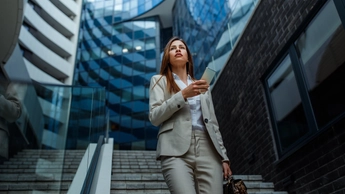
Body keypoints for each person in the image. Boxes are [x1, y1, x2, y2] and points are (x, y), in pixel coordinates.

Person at [149, 36, 232, 194]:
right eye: (173, 48)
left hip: (208, 149)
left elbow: (213, 124)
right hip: (174, 149)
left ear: (188, 56)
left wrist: (224, 156)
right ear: (167, 56)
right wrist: (182, 95)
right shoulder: (158, 80)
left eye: (182, 47)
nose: (178, 50)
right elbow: (155, 117)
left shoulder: (202, 86)